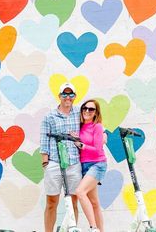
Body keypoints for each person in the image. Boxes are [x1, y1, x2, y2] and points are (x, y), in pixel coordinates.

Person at [40, 82, 82, 232]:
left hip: (73, 162)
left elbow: (91, 127)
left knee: (73, 201)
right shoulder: (49, 116)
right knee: (52, 201)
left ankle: (72, 229)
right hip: (55, 162)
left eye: (71, 94)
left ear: (75, 97)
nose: (67, 97)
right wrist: (45, 161)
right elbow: (44, 139)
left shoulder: (79, 113)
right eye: (64, 94)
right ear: (59, 96)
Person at [73, 99, 107, 232]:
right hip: (84, 166)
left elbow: (98, 149)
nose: (87, 111)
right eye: (84, 108)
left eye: (91, 109)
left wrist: (82, 145)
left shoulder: (97, 126)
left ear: (95, 112)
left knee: (80, 192)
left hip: (97, 164)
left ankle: (93, 228)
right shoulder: (80, 126)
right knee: (94, 203)